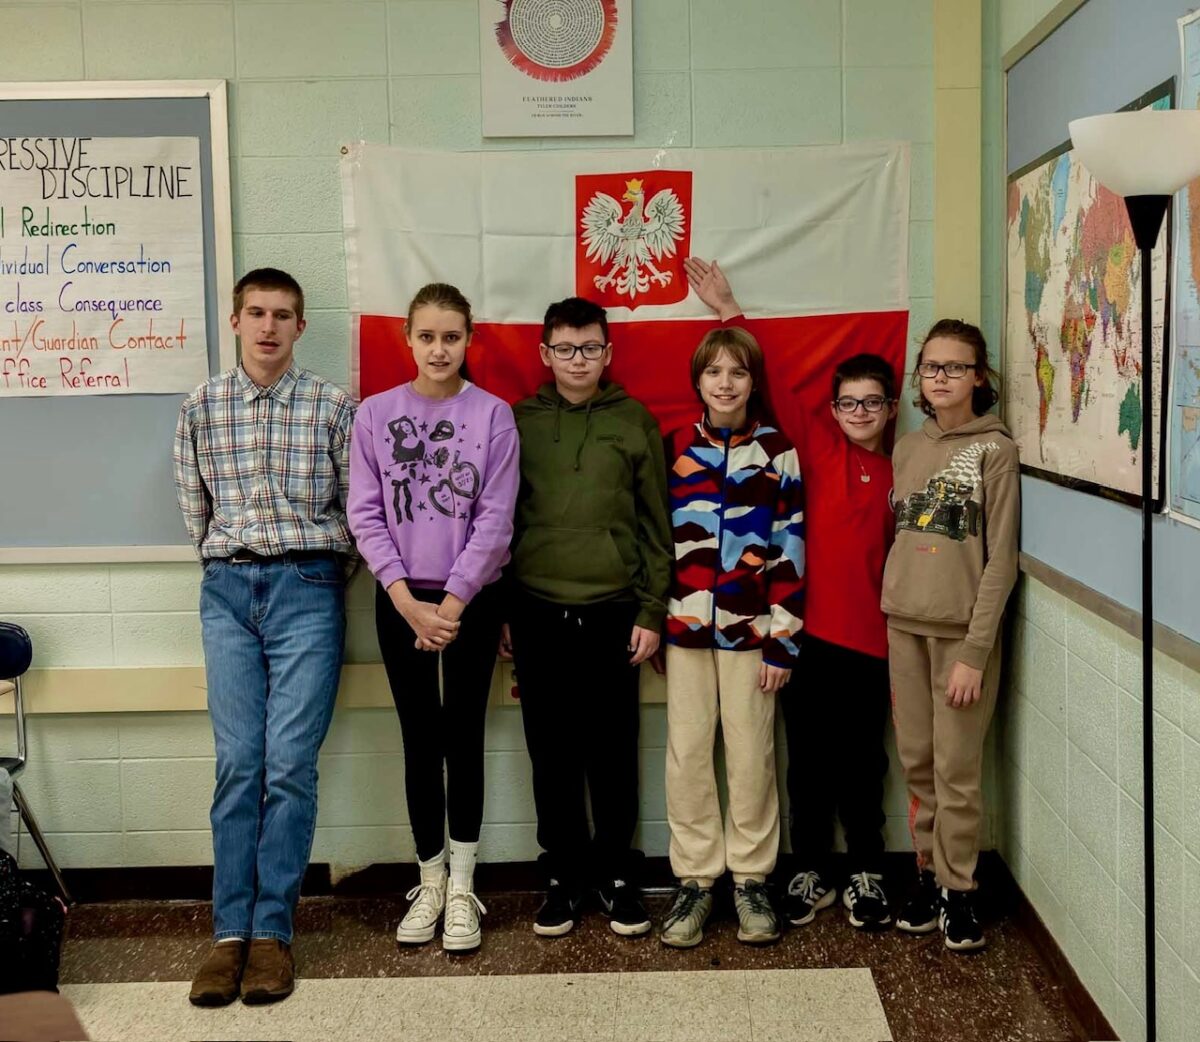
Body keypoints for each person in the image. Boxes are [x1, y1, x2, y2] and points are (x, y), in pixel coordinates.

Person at [683, 258, 900, 932]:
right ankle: (800, 869)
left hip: (861, 641)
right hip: (792, 636)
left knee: (860, 761)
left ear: (891, 408)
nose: (858, 413)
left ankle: (860, 869)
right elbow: (768, 377)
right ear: (833, 410)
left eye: (872, 403)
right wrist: (729, 310)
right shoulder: (809, 446)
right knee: (800, 762)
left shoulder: (902, 468)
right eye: (848, 403)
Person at [174, 268, 355, 1005]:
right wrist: (228, 562)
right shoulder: (202, 406)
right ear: (236, 320)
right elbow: (195, 509)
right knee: (238, 763)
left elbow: (357, 509)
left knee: (288, 766)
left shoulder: (332, 406)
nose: (269, 327)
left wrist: (315, 571)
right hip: (227, 591)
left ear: (301, 326)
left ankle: (272, 932)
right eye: (257, 313)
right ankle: (228, 936)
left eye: (283, 315)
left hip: (307, 588)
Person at [348, 283, 518, 952]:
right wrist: (404, 601)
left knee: (463, 737)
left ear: (469, 340)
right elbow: (365, 513)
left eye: (451, 337)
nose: (439, 348)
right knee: (419, 739)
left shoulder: (493, 416)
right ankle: (430, 880)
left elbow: (496, 520)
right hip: (400, 599)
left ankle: (464, 887)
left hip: (469, 600)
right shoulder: (375, 414)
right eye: (427, 336)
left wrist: (450, 605)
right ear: (408, 340)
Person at [503, 297, 672, 938]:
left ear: (608, 353)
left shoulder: (634, 422)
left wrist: (651, 608)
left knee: (612, 749)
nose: (579, 360)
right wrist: (503, 610)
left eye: (591, 348)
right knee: (550, 751)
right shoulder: (516, 422)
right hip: (536, 608)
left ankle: (617, 874)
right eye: (567, 349)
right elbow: (498, 522)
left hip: (614, 611)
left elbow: (656, 525)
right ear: (545, 354)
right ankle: (563, 875)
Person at [659, 326, 805, 949]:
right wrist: (657, 619)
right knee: (688, 753)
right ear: (698, 380)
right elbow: (654, 540)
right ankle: (696, 879)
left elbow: (790, 546)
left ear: (752, 382)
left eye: (737, 373)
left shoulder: (777, 452)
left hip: (753, 634)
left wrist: (783, 639)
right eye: (714, 372)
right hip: (684, 629)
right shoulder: (673, 447)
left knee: (751, 755)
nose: (725, 383)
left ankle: (751, 879)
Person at [882, 319, 1019, 952]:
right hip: (903, 625)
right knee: (918, 762)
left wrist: (975, 653)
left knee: (957, 770)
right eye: (931, 367)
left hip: (961, 637)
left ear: (978, 376)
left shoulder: (996, 450)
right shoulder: (908, 447)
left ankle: (959, 890)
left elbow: (1000, 561)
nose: (940, 377)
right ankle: (928, 875)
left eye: (955, 367)